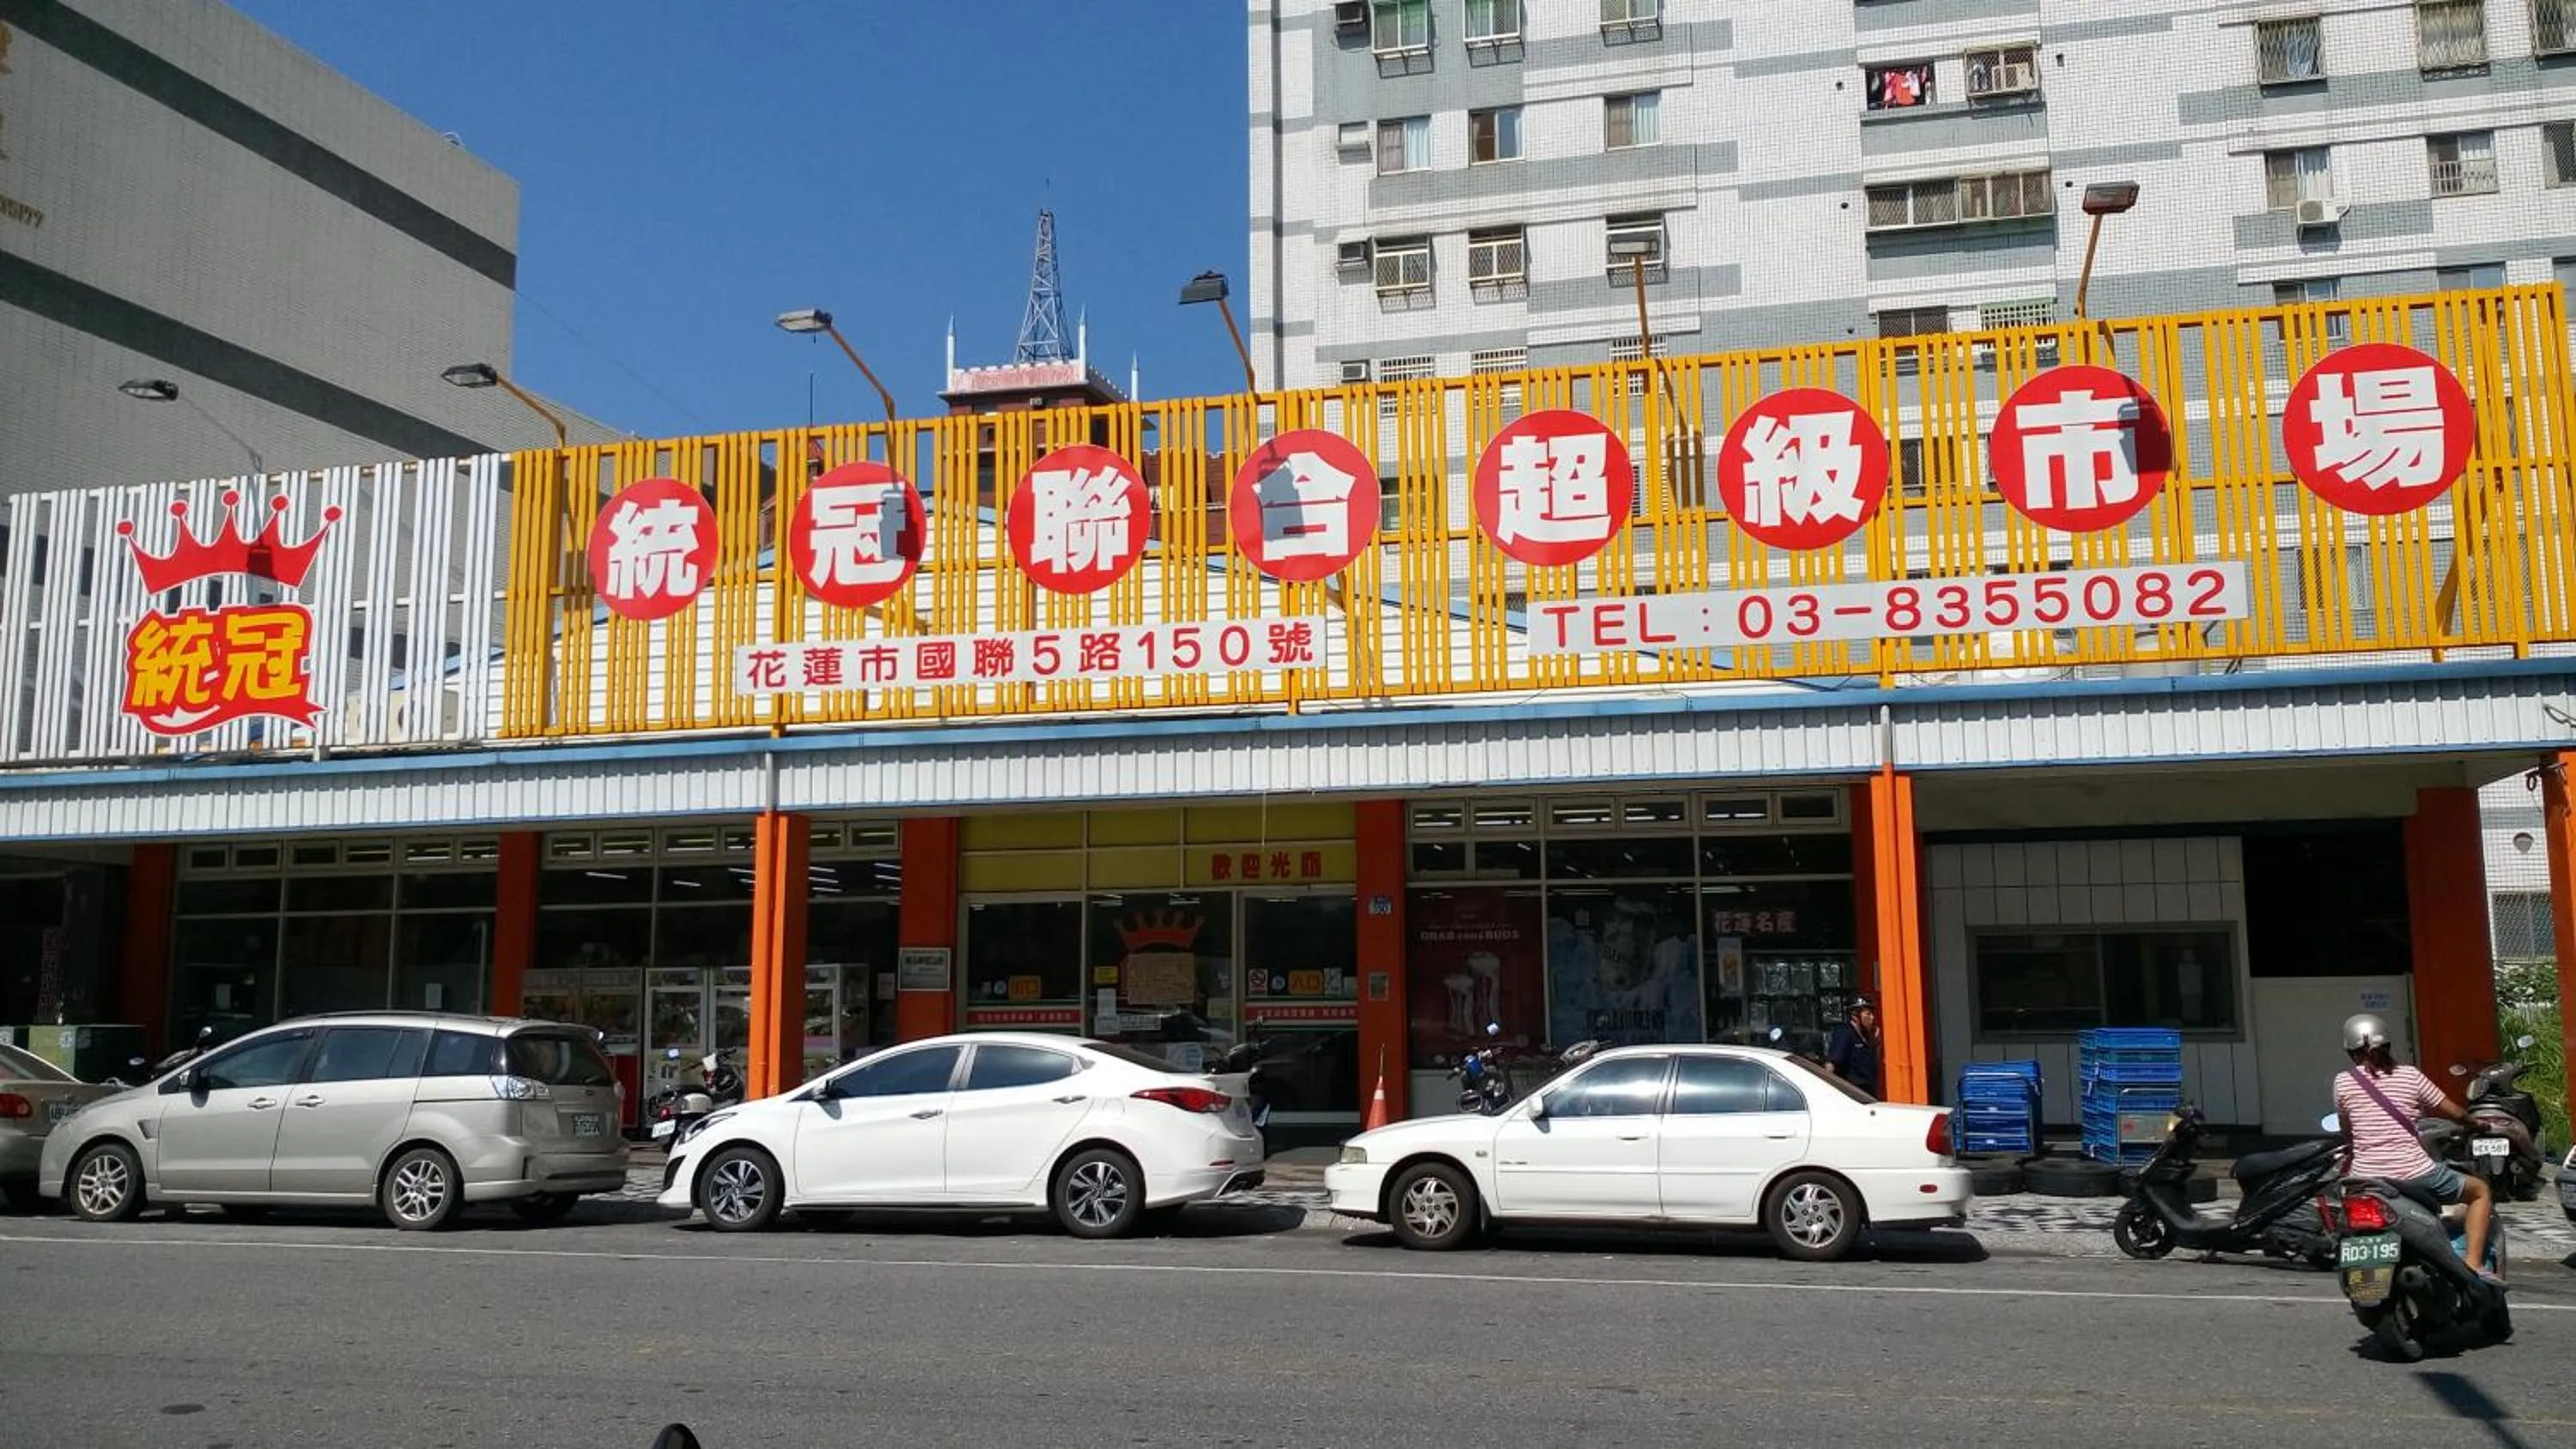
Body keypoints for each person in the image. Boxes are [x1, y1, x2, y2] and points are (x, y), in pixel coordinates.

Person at [2330, 1012, 2499, 1283]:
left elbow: (2347, 1130)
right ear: (2387, 1046)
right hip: (2414, 1172)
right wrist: (2476, 1124)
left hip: (2364, 1177)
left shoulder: (2343, 1081)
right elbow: (2453, 1111)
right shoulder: (2410, 1076)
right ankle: (2474, 1264)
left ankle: (2365, 1275)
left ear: (2351, 1052)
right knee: (2479, 1191)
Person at [1822, 996, 1880, 1096]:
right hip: (1850, 1093)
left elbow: (1874, 1063)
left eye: (1872, 1014)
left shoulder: (1867, 1036)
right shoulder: (1845, 1033)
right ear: (1855, 1015)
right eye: (1868, 1014)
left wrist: (1876, 1042)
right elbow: (1831, 1064)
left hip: (1868, 1092)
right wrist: (1826, 1092)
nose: (1872, 1017)